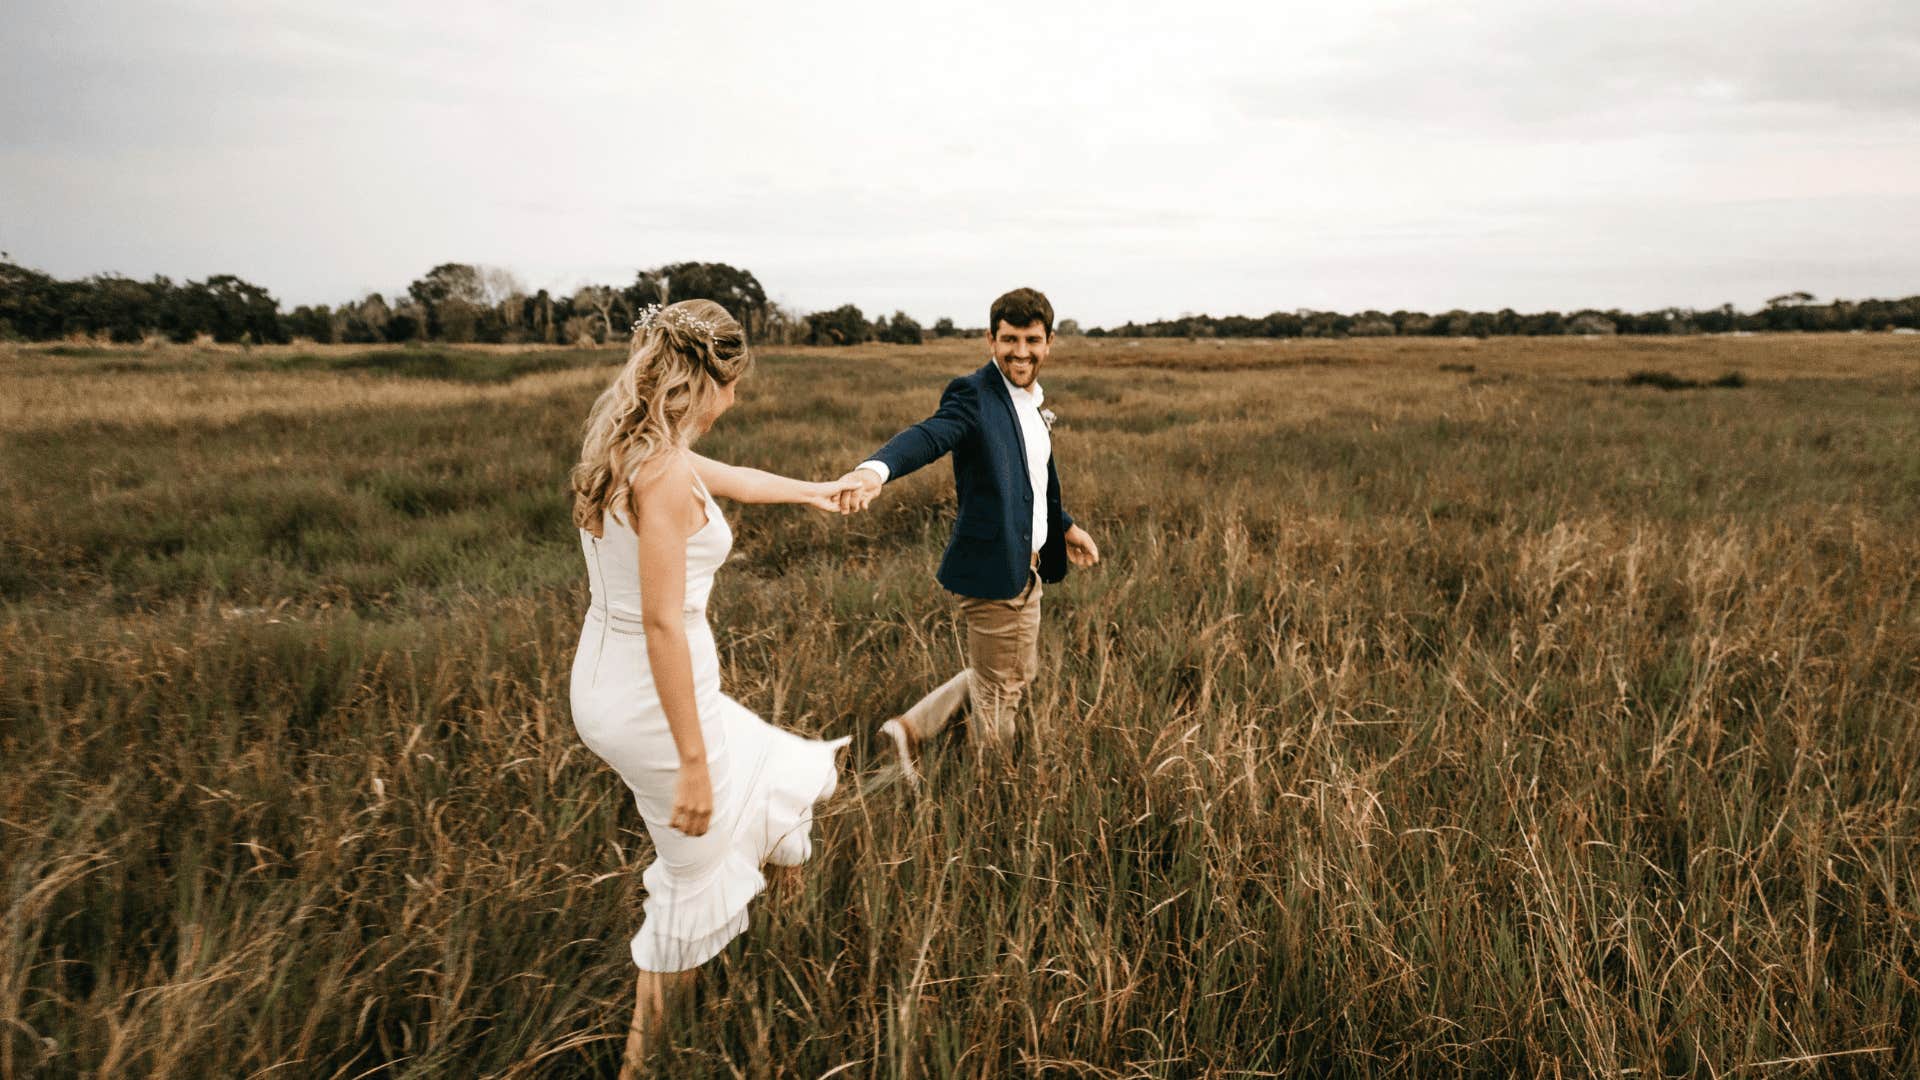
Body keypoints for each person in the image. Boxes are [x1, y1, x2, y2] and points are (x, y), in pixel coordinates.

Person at [567, 299, 860, 1074]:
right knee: (692, 878)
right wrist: (692, 762)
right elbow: (664, 624)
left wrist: (812, 490)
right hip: (654, 695)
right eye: (734, 384)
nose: (736, 401)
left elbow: (731, 478)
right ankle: (641, 1064)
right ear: (708, 380)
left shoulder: (634, 446)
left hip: (607, 677)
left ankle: (784, 940)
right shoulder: (661, 473)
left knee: (775, 766)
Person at [838, 287, 1100, 784]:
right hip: (994, 570)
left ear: (1049, 343)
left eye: (1031, 340)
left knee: (1011, 676)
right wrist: (876, 470)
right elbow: (932, 434)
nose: (1020, 352)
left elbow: (1031, 479)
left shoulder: (1029, 402)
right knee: (1002, 691)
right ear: (990, 339)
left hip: (1029, 566)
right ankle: (993, 790)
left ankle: (909, 730)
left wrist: (1064, 527)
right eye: (1009, 340)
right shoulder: (973, 395)